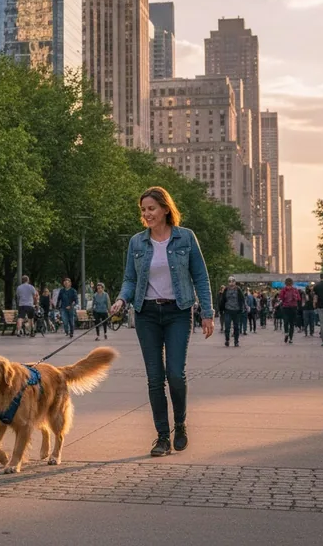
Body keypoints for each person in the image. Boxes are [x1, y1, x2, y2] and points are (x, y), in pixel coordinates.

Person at [110, 186, 214, 457]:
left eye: (151, 208)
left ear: (166, 209)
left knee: (175, 375)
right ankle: (162, 437)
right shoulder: (136, 242)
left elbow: (200, 277)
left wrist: (207, 313)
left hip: (178, 312)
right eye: (143, 210)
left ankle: (180, 424)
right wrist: (121, 299)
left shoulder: (186, 238)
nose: (147, 214)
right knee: (155, 379)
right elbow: (130, 279)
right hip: (146, 314)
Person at [218, 278, 244, 347]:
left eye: (233, 281)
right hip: (227, 311)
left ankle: (236, 341)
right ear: (228, 282)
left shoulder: (238, 289)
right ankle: (227, 340)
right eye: (229, 281)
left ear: (235, 282)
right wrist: (221, 310)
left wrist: (242, 308)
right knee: (227, 327)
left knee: (236, 327)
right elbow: (222, 300)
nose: (231, 283)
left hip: (236, 311)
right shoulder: (226, 290)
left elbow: (242, 299)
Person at [279, 278, 300, 344]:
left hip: (290, 308)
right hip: (288, 308)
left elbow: (298, 298)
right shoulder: (285, 290)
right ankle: (288, 335)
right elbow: (281, 298)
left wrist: (295, 297)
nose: (289, 286)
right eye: (288, 285)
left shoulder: (293, 290)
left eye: (289, 285)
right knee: (288, 322)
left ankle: (289, 336)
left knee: (289, 323)